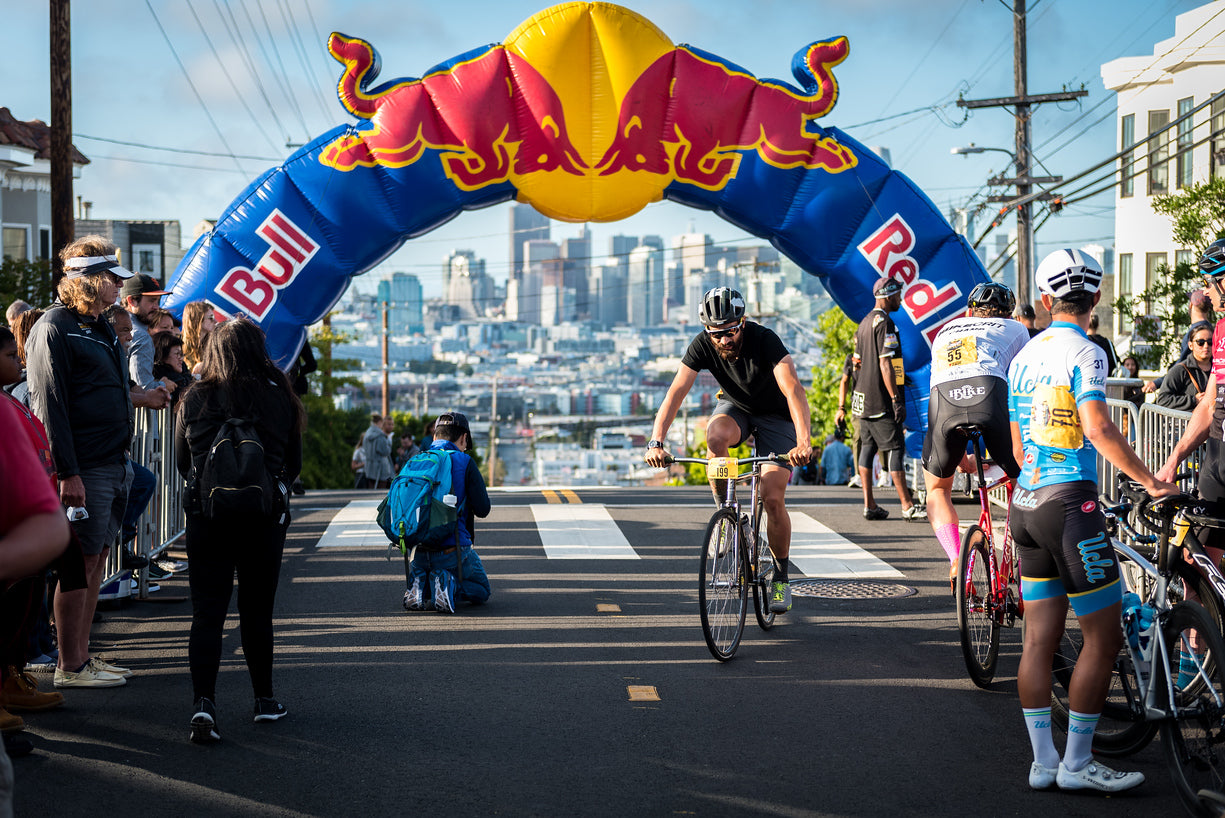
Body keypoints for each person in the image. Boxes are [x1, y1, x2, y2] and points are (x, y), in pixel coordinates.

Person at [1008, 248, 1176, 793]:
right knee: (1102, 639)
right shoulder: (1088, 351)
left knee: (1039, 640)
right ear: (1096, 297)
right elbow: (1099, 427)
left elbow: (1017, 445)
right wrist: (1151, 481)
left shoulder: (1023, 354)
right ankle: (1078, 764)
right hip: (1069, 506)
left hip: (1026, 503)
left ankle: (1043, 763)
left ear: (1045, 299)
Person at [644, 287, 813, 613]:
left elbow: (793, 389)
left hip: (777, 417)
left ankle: (780, 577)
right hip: (737, 408)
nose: (724, 340)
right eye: (716, 334)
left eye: (730, 331)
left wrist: (803, 441)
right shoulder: (702, 344)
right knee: (715, 437)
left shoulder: (765, 340)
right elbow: (676, 392)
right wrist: (656, 441)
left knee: (772, 497)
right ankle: (727, 515)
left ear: (742, 322)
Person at [175, 317, 303, 744]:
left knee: (207, 613)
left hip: (208, 517)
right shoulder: (278, 394)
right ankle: (264, 699)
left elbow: (183, 462)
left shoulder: (195, 397)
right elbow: (293, 463)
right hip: (262, 517)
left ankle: (204, 704)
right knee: (257, 610)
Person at [26, 236, 136, 689]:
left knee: (96, 561)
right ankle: (69, 665)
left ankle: (81, 656)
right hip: (84, 467)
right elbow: (49, 406)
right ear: (88, 280)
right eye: (113, 278)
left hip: (112, 462)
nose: (120, 287)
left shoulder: (100, 324)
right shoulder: (54, 326)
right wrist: (67, 471)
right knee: (80, 565)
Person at [922, 282, 1029, 588]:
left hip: (944, 401)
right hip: (990, 394)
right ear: (1008, 314)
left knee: (937, 490)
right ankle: (1019, 552)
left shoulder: (945, 331)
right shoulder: (1016, 329)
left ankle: (956, 558)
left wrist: (964, 458)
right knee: (1024, 479)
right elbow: (1021, 380)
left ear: (970, 312)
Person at [0, 396, 73, 807]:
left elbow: (47, 524)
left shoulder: (7, 410)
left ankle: (8, 679)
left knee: (22, 604)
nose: (19, 365)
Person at [1158, 238, 1225, 563]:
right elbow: (1209, 403)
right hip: (1217, 455)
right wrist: (1174, 459)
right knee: (1195, 559)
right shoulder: (1221, 329)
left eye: (1210, 282)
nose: (1206, 292)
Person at [402, 412, 493, 613]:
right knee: (482, 590)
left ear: (434, 436)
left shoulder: (416, 460)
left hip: (418, 552)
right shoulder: (464, 461)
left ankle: (419, 584)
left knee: (427, 574)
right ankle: (446, 584)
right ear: (464, 438)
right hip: (453, 551)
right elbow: (483, 509)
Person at [850, 277, 924, 521]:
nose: (900, 299)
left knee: (867, 450)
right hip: (881, 401)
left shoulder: (864, 323)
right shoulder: (886, 323)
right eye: (898, 295)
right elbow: (885, 363)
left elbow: (857, 363)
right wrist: (895, 398)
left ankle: (869, 505)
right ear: (888, 295)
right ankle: (907, 506)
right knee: (894, 449)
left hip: (863, 400)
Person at [120, 273, 172, 392]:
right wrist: (164, 385)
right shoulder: (141, 336)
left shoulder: (111, 325)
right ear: (132, 301)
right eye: (152, 301)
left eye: (158, 301)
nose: (156, 307)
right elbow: (144, 387)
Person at [1156, 320, 1213, 412]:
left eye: (1210, 342)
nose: (1206, 346)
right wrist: (1193, 400)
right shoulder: (1180, 370)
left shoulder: (1220, 369)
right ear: (1190, 345)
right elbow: (1163, 400)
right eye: (1200, 342)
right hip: (1186, 420)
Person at [151, 331, 193, 400]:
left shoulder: (184, 373)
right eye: (177, 354)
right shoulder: (162, 377)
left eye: (181, 354)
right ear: (163, 355)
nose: (181, 358)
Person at [181, 300, 217, 375]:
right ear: (197, 319)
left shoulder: (213, 345)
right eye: (211, 318)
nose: (215, 321)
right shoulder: (180, 346)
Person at [361, 413, 394, 489]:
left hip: (369, 466)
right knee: (380, 489)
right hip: (380, 467)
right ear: (379, 422)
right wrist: (389, 442)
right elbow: (385, 452)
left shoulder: (367, 434)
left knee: (371, 487)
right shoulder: (380, 436)